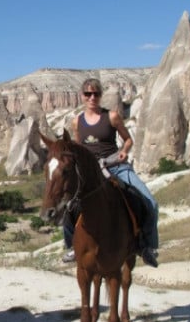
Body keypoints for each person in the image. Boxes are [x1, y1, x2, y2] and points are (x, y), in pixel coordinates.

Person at [61, 78, 159, 267]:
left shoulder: (112, 116)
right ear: (82, 96)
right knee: (68, 205)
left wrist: (124, 151)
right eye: (88, 94)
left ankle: (148, 245)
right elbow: (79, 147)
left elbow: (128, 139)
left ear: (100, 95)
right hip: (90, 172)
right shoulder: (77, 121)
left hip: (114, 165)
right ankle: (72, 246)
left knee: (150, 202)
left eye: (96, 94)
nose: (92, 97)